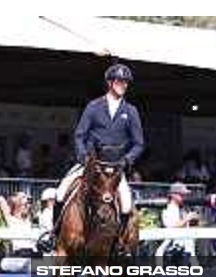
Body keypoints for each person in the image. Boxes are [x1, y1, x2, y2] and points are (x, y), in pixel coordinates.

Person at [38, 64, 144, 252]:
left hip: (115, 168)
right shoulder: (94, 107)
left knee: (126, 205)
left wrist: (126, 161)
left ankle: (119, 244)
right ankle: (53, 236)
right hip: (91, 163)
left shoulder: (131, 111)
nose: (124, 85)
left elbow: (138, 144)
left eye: (126, 82)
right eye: (120, 81)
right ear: (110, 83)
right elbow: (80, 135)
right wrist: (83, 156)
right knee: (61, 192)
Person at [156, 182, 200, 259]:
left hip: (187, 248)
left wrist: (194, 220)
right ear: (173, 195)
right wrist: (187, 218)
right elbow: (171, 227)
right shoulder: (167, 208)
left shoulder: (184, 208)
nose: (184, 197)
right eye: (181, 194)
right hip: (171, 250)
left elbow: (189, 226)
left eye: (185, 195)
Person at [0, 192, 37, 259]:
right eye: (24, 205)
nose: (26, 206)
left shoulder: (28, 220)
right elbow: (0, 199)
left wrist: (24, 200)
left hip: (34, 253)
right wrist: (17, 198)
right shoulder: (11, 220)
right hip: (20, 254)